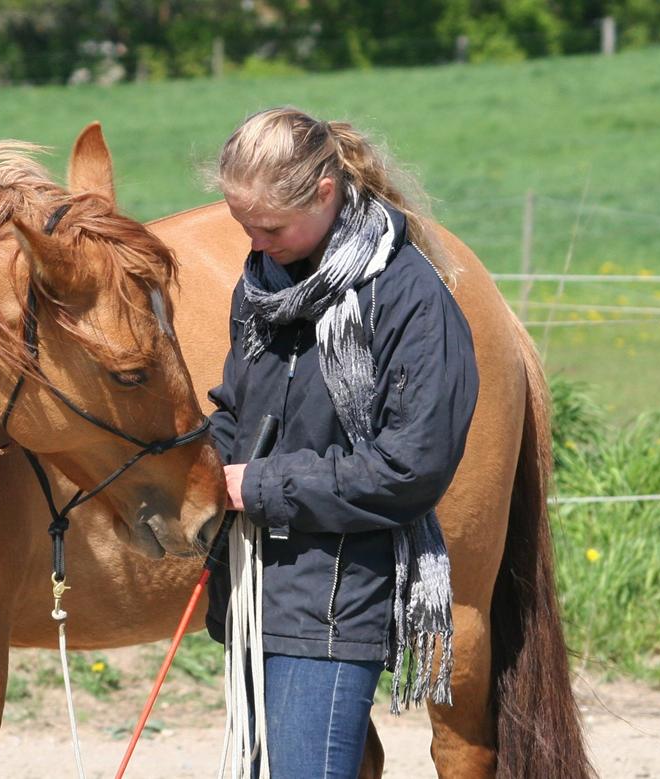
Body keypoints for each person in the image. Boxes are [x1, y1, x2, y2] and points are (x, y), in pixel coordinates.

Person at [205, 107, 479, 778]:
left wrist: (258, 485)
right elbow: (238, 412)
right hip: (253, 595)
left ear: (324, 193)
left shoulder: (411, 298)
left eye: (270, 227)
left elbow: (409, 467)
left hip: (335, 607)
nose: (255, 242)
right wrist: (195, 467)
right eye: (244, 225)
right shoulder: (261, 287)